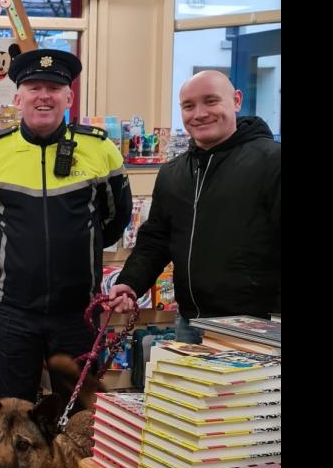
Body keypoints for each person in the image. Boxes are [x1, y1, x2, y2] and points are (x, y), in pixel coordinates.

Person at [0, 48, 132, 403]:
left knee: (77, 413)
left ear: (69, 96)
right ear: (18, 97)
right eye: (34, 86)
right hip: (13, 311)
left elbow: (115, 219)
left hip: (77, 313)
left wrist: (79, 246)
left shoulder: (100, 149)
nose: (44, 95)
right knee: (12, 413)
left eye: (54, 86)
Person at [107, 70, 281, 342]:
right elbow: (156, 240)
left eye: (211, 101)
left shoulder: (272, 162)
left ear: (236, 100)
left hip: (255, 327)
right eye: (188, 106)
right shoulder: (173, 172)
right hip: (189, 323)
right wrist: (130, 283)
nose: (199, 113)